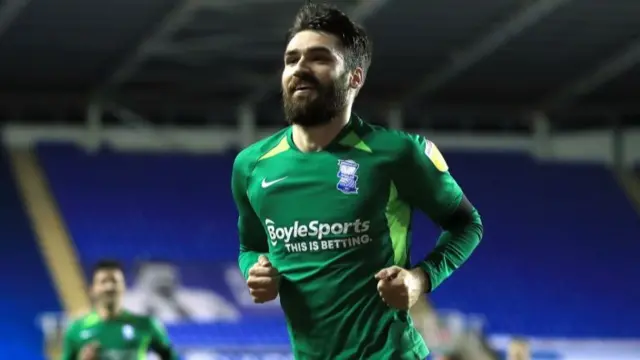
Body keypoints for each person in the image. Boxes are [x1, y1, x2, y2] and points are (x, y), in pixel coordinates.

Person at [230, 3, 483, 359]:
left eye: (318, 58)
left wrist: (420, 280)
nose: (299, 68)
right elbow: (250, 248)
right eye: (291, 59)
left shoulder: (398, 154)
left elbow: (467, 224)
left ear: (354, 77)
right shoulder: (251, 166)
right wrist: (255, 271)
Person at [61, 260, 179, 360]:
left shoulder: (147, 325)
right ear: (92, 290)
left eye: (114, 281)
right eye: (103, 282)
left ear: (124, 287)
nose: (109, 287)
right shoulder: (76, 330)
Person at [123, 260, 240, 324]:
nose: (162, 272)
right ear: (140, 273)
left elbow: (235, 322)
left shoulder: (205, 299)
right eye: (154, 267)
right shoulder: (123, 302)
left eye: (167, 266)